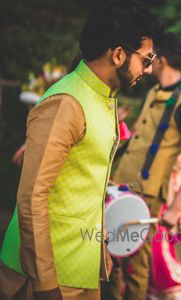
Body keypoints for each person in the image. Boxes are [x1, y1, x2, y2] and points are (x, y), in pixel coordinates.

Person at [0, 1, 163, 299]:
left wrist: (100, 253)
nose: (149, 68)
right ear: (117, 55)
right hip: (47, 277)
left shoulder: (104, 98)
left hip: (82, 269)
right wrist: (46, 284)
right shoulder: (66, 103)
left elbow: (85, 184)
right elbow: (31, 197)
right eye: (147, 58)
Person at [106, 32, 181, 300]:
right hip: (118, 186)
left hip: (146, 195)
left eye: (150, 56)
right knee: (108, 261)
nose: (146, 61)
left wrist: (174, 209)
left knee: (136, 268)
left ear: (160, 60)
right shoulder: (154, 91)